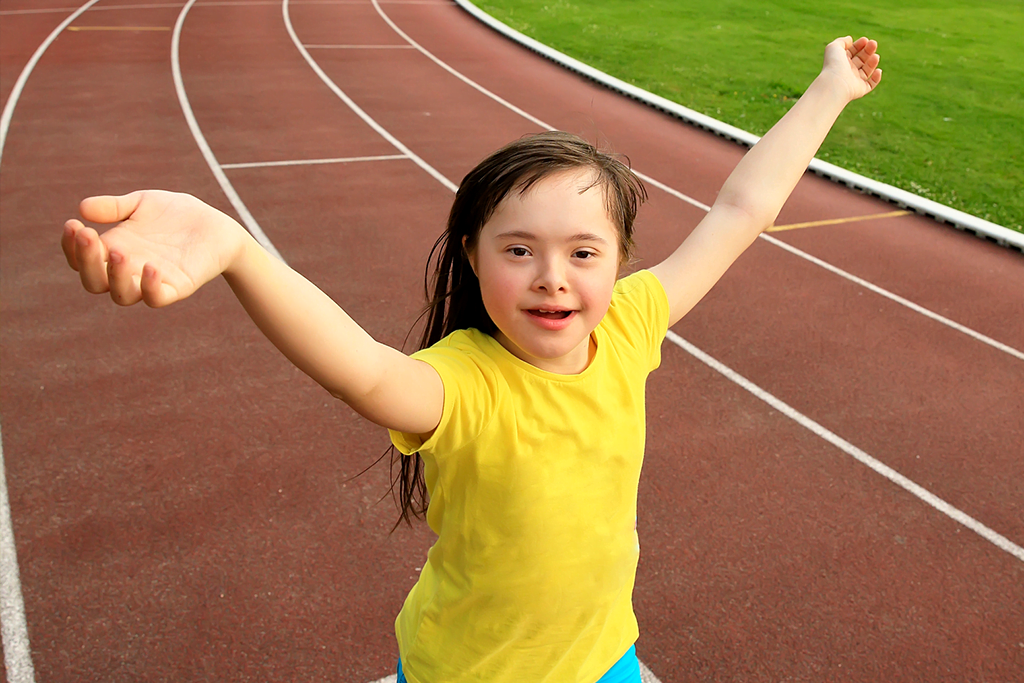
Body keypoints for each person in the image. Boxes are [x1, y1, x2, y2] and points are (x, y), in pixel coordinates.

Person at [61, 36, 882, 683]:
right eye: (519, 249)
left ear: (621, 260)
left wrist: (829, 91)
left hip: (603, 661)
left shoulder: (631, 324)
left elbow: (740, 209)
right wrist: (238, 249)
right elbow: (363, 370)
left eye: (584, 253)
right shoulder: (466, 381)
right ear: (473, 254)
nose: (553, 277)